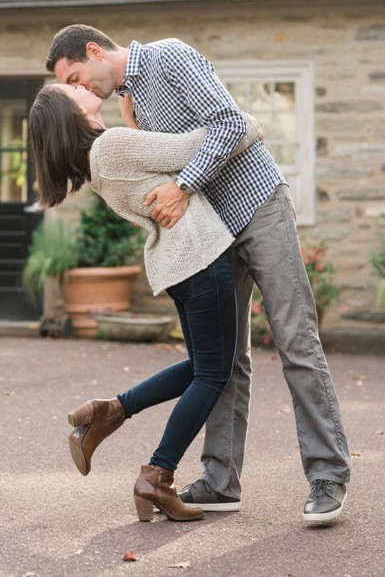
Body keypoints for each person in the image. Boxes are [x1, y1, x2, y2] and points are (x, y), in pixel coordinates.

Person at [45, 25, 351, 522]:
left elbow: (230, 124)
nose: (83, 90)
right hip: (212, 236)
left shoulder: (169, 57)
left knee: (296, 340)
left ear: (95, 51)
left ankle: (328, 474)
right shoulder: (130, 105)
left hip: (258, 205)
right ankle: (220, 479)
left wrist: (185, 185)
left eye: (78, 77)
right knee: (227, 361)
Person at [28, 83, 259, 521]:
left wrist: (132, 123)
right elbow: (204, 144)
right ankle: (157, 473)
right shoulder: (113, 146)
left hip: (178, 264)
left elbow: (149, 166)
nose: (80, 86)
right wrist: (249, 124)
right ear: (69, 113)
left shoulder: (101, 159)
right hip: (199, 257)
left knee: (203, 367)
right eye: (70, 89)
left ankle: (109, 411)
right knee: (213, 374)